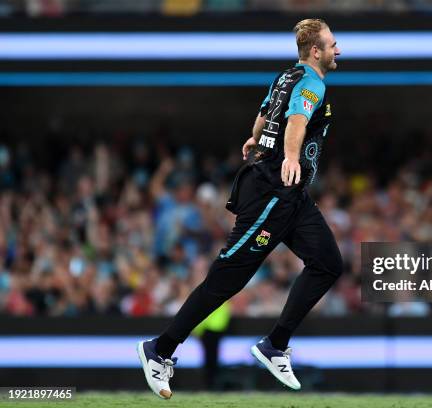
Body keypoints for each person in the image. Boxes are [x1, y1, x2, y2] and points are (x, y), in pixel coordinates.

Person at [137, 18, 342, 399]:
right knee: (229, 276)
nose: (338, 50)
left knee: (329, 263)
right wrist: (291, 157)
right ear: (316, 51)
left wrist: (255, 137)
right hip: (273, 191)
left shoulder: (286, 76)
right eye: (332, 44)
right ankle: (159, 350)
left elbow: (267, 113)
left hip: (290, 194)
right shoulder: (312, 83)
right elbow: (297, 119)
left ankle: (274, 345)